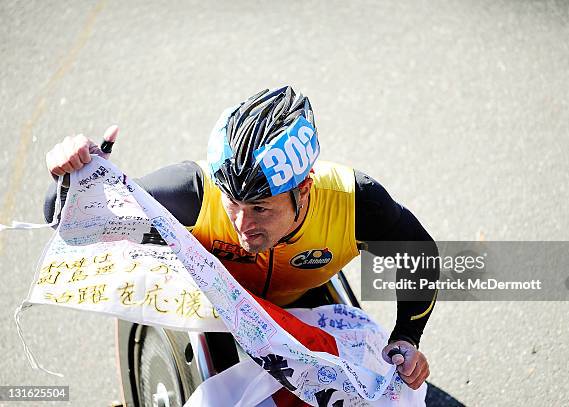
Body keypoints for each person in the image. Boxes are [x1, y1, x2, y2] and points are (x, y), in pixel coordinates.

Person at [44, 86, 439, 394]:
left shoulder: (356, 205)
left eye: (261, 209)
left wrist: (407, 335)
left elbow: (420, 255)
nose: (241, 224)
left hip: (299, 307)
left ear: (303, 189)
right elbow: (61, 219)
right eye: (232, 203)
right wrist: (74, 177)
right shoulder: (192, 192)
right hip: (209, 303)